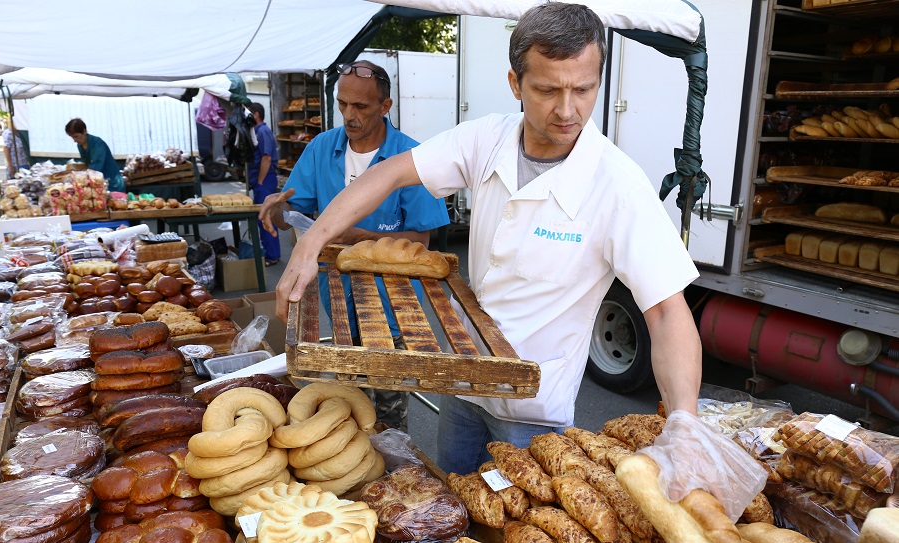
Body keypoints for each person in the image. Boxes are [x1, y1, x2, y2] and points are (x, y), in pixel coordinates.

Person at [275, 4, 702, 474]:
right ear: (515, 83)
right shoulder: (486, 141)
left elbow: (665, 311)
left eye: (584, 89)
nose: (567, 109)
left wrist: (684, 423)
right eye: (546, 90)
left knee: (517, 535)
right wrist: (312, 242)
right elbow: (390, 173)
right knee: (452, 511)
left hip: (532, 416)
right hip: (465, 386)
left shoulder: (618, 185)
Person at [259, 60, 450, 432]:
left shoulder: (412, 158)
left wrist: (361, 238)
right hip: (337, 297)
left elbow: (421, 244)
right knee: (350, 402)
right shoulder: (321, 148)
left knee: (389, 409)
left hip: (392, 305)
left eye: (361, 106)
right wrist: (277, 209)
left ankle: (396, 476)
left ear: (385, 106)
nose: (349, 115)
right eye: (343, 104)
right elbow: (294, 215)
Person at [248, 102, 280, 267]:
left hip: (265, 181)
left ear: (256, 115)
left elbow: (266, 158)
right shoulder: (257, 132)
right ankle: (270, 253)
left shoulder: (263, 132)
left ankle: (272, 255)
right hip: (261, 181)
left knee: (266, 218)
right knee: (262, 218)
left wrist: (260, 181)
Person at [64, 119, 125, 192]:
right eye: (72, 137)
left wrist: (82, 177)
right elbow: (86, 164)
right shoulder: (80, 146)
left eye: (76, 136)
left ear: (84, 131)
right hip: (98, 182)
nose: (75, 140)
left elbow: (97, 165)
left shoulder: (97, 143)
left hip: (112, 182)